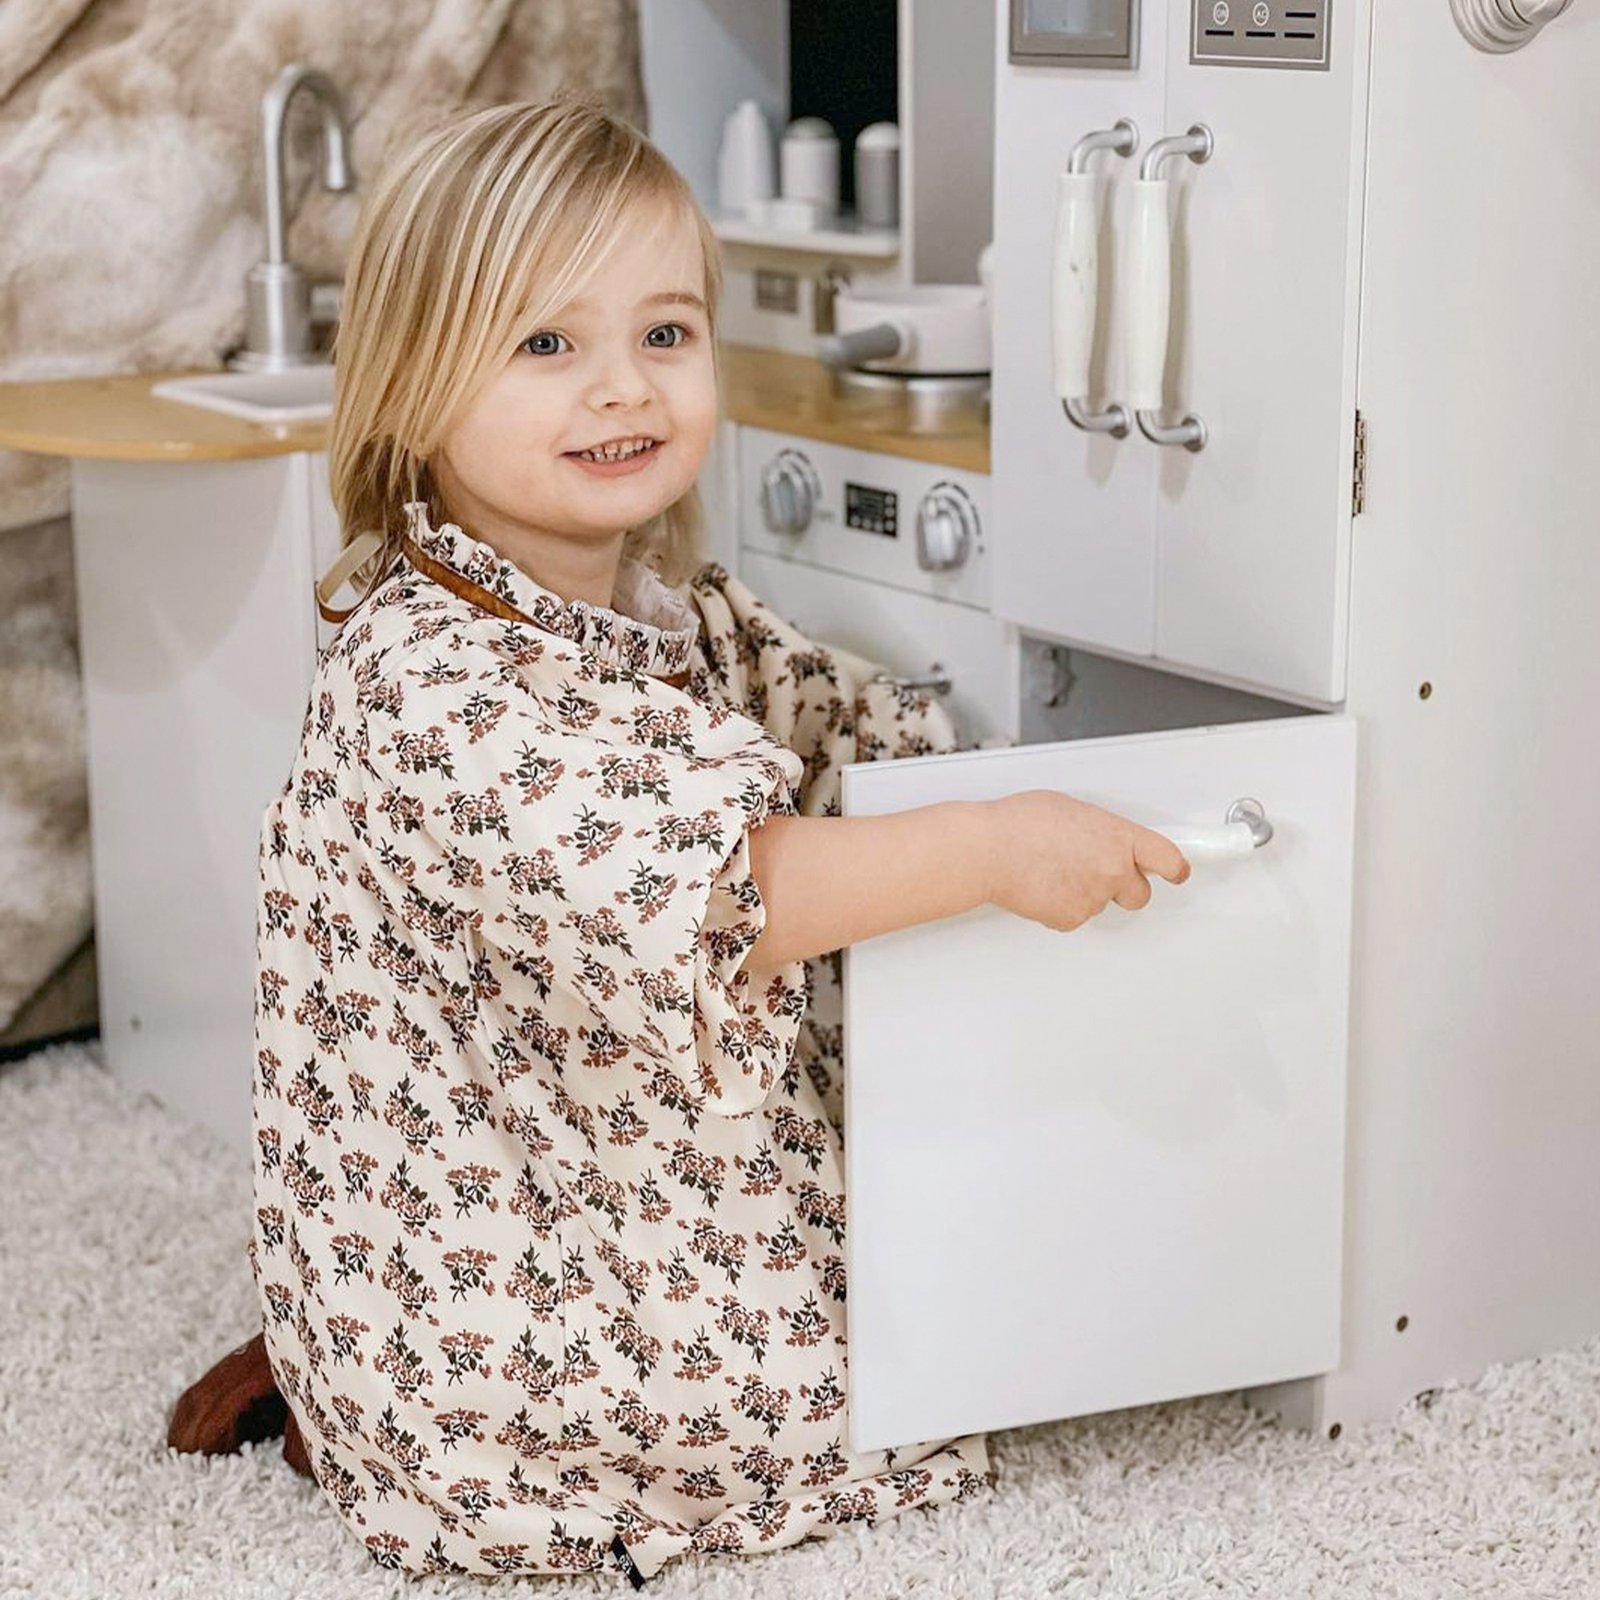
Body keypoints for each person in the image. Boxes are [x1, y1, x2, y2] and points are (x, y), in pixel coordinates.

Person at [166, 93, 1190, 1583]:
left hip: (576, 1145)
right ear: (409, 388)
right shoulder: (434, 683)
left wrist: (1035, 771)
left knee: (935, 1269)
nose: (621, 389)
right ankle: (393, 1409)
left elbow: (823, 719)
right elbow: (733, 891)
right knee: (866, 1387)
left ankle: (349, 1366)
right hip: (504, 1274)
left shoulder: (645, 602)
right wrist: (991, 845)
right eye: (544, 344)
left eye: (664, 334)